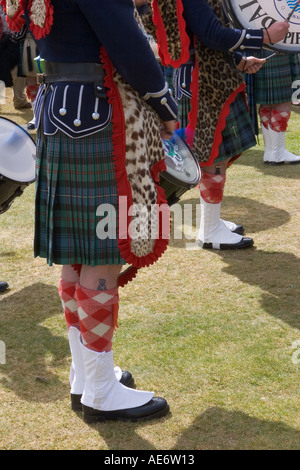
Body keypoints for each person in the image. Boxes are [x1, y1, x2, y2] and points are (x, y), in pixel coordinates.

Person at [1, 0, 177, 423]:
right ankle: (100, 390)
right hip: (97, 113)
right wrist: (164, 103)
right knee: (101, 252)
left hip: (61, 107)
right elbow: (127, 43)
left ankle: (85, 374)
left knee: (78, 256)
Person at [138, 0, 290, 250]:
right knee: (212, 156)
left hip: (205, 74)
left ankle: (212, 221)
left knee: (214, 154)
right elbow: (212, 33)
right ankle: (209, 229)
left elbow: (198, 34)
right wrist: (264, 35)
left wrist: (238, 59)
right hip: (204, 81)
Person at [245, 52, 300, 165]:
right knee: (283, 101)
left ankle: (270, 152)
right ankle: (278, 153)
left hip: (258, 49)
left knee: (267, 104)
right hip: (279, 48)